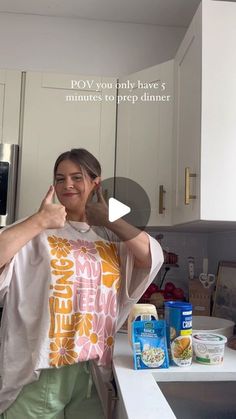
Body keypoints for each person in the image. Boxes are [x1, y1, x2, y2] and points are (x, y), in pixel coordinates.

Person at [0, 148, 164, 419]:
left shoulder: (109, 240)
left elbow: (151, 256)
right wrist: (40, 220)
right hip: (38, 372)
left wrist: (111, 219)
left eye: (77, 177)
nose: (68, 185)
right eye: (60, 178)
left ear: (95, 184)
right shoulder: (34, 231)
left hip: (91, 375)